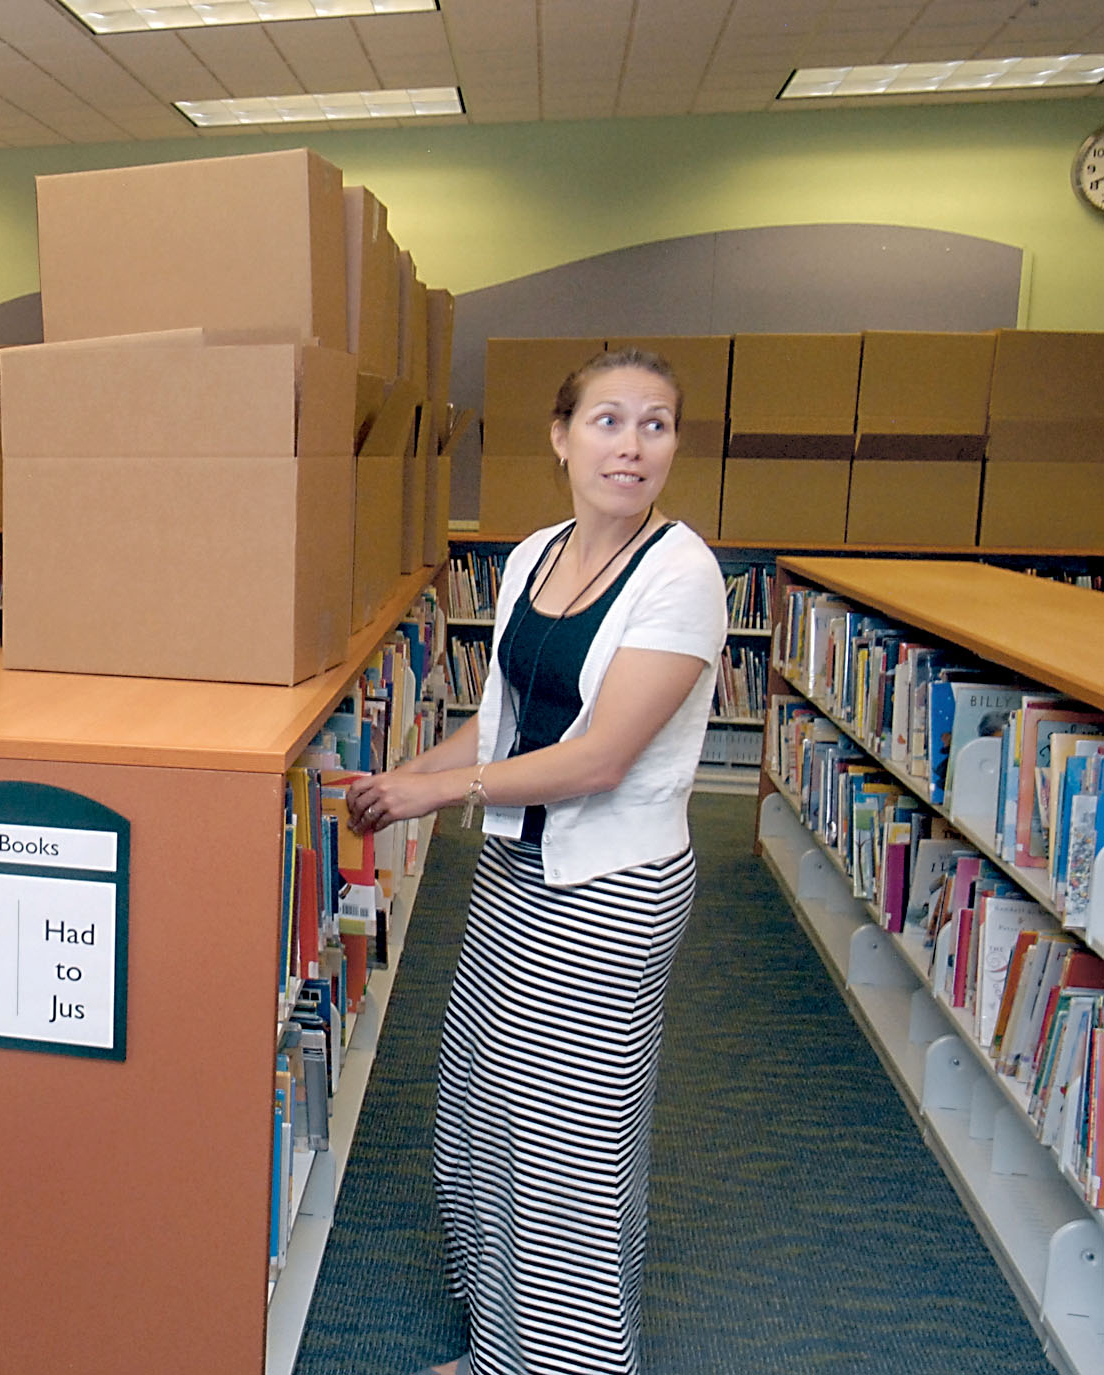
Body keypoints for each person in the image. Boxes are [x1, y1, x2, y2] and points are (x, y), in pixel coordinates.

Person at [346, 349, 728, 1375]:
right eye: (608, 420)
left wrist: (438, 792)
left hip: (611, 889)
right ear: (560, 437)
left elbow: (599, 758)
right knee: (483, 1107)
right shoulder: (532, 556)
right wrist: (398, 778)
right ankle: (497, 1349)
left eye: (656, 424)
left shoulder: (682, 575)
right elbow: (501, 724)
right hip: (516, 876)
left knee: (567, 1153)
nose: (632, 444)